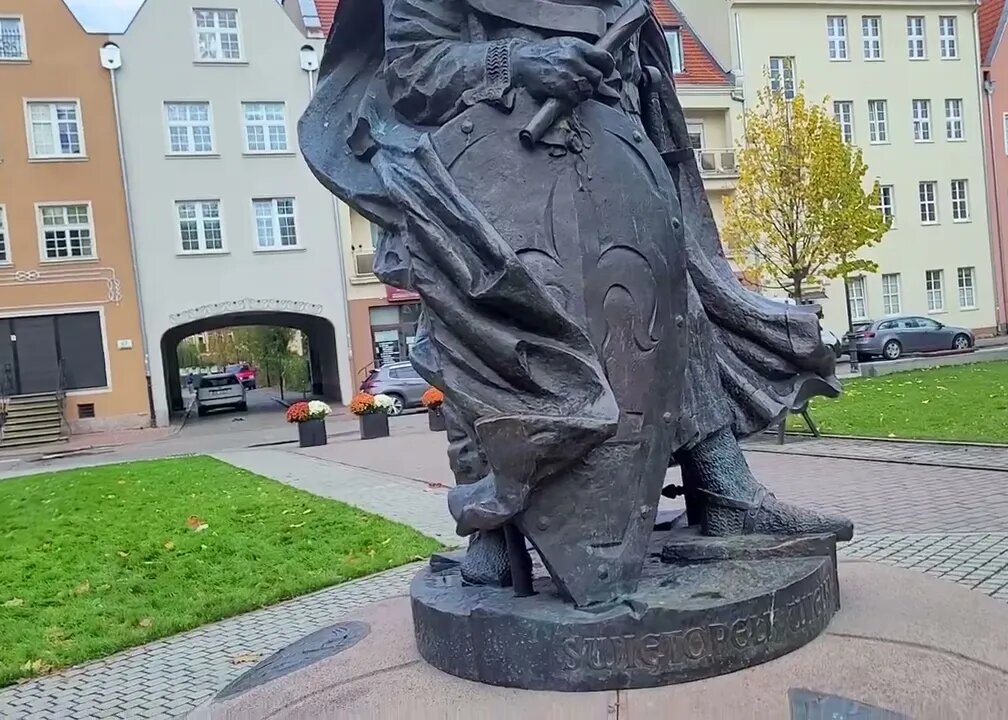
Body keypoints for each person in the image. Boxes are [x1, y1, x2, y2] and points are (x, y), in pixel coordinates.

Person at [302, 0, 851, 589]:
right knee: (482, 341)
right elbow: (410, 72)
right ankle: (493, 528)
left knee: (673, 308)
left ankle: (724, 489)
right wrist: (517, 61)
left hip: (616, 168)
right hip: (486, 193)